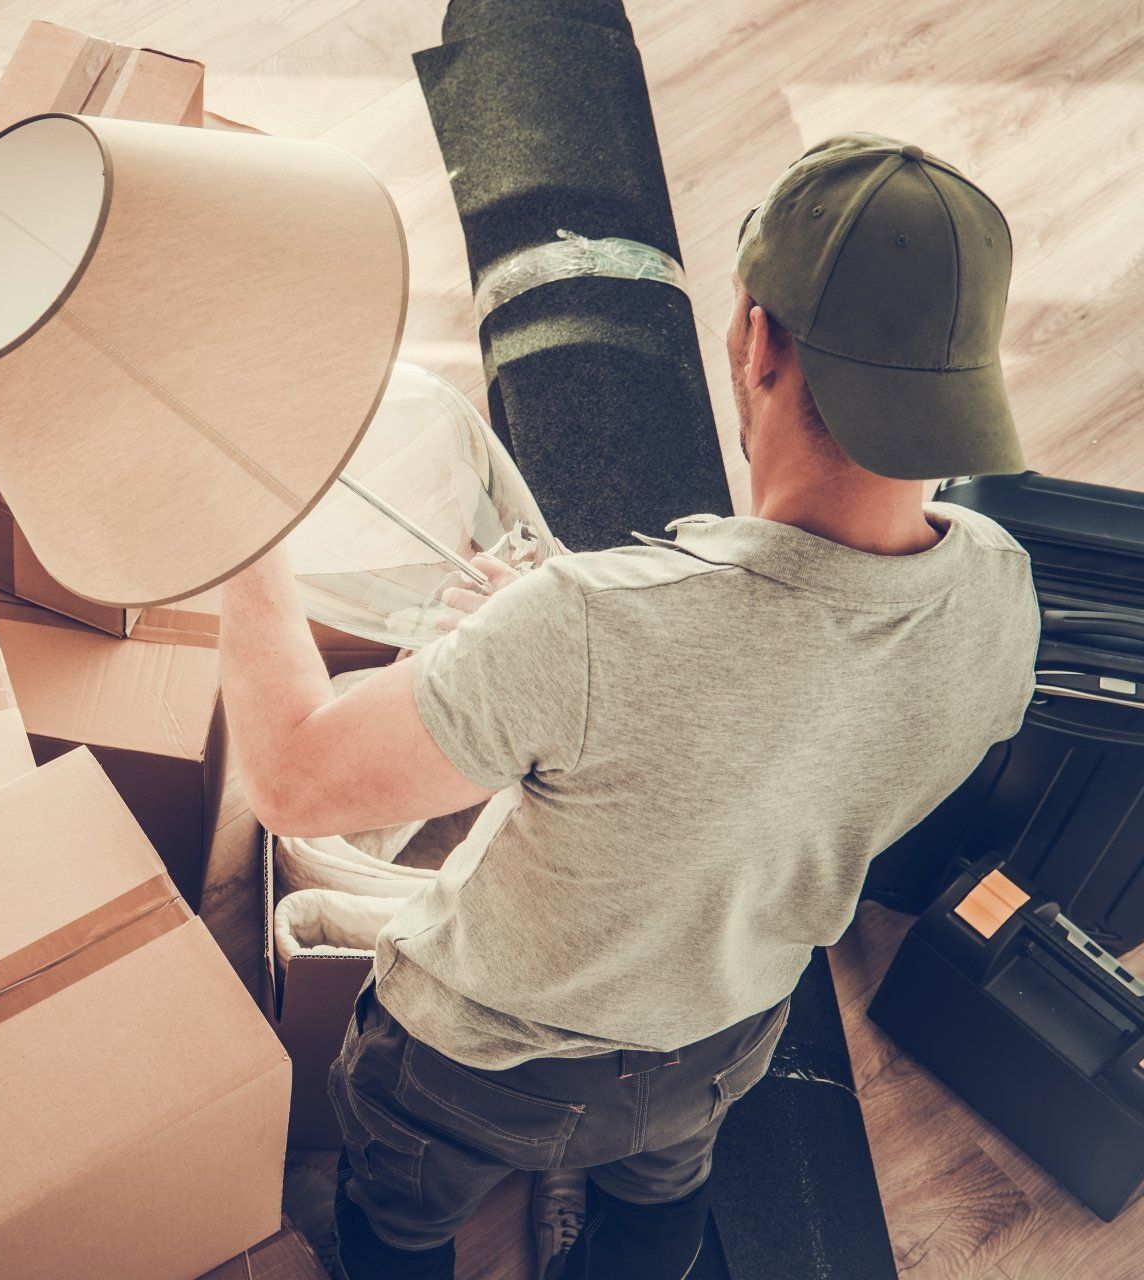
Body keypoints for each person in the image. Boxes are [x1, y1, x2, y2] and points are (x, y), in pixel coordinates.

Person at [217, 134, 1041, 1280]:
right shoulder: (1003, 591)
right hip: (720, 1038)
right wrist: (550, 655)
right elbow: (798, 709)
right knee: (660, 1202)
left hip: (475, 1069)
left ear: (756, 340)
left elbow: (297, 775)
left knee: (401, 1215)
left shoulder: (585, 629)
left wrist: (232, 521)